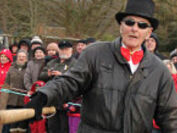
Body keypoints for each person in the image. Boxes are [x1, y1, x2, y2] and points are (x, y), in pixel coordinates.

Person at [19, 0, 177, 133]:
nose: (134, 28)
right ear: (121, 26)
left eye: (142, 25)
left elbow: (170, 117)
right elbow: (70, 82)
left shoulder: (160, 71)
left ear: (149, 33)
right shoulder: (95, 54)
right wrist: (45, 95)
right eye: (130, 22)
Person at [38, 40, 76, 133]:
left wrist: (61, 74)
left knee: (64, 128)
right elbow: (41, 76)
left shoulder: (75, 63)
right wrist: (48, 74)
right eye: (62, 49)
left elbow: (76, 79)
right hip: (52, 100)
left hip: (66, 100)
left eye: (66, 49)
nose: (64, 51)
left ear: (71, 50)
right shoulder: (52, 62)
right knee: (52, 127)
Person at [3, 50, 28, 133]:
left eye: (23, 57)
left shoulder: (29, 69)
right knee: (9, 123)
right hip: (11, 100)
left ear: (26, 58)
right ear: (16, 58)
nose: (21, 58)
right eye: (19, 56)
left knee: (21, 124)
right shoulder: (11, 68)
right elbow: (6, 83)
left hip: (23, 100)